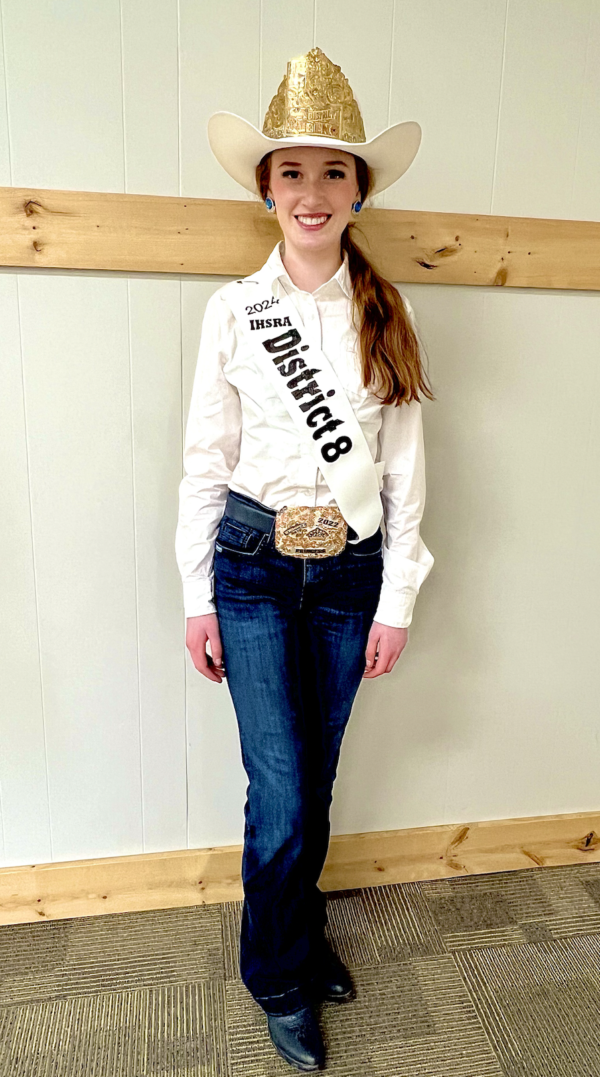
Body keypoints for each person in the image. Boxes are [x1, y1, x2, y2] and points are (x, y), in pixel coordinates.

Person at [175, 47, 435, 1073]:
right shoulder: (235, 310)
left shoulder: (386, 311)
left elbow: (405, 471)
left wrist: (397, 599)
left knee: (314, 781)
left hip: (351, 576)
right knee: (279, 788)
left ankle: (297, 929)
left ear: (359, 191)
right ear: (266, 189)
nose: (312, 191)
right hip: (250, 564)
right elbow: (205, 461)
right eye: (292, 172)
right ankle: (278, 972)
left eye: (334, 172)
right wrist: (196, 594)